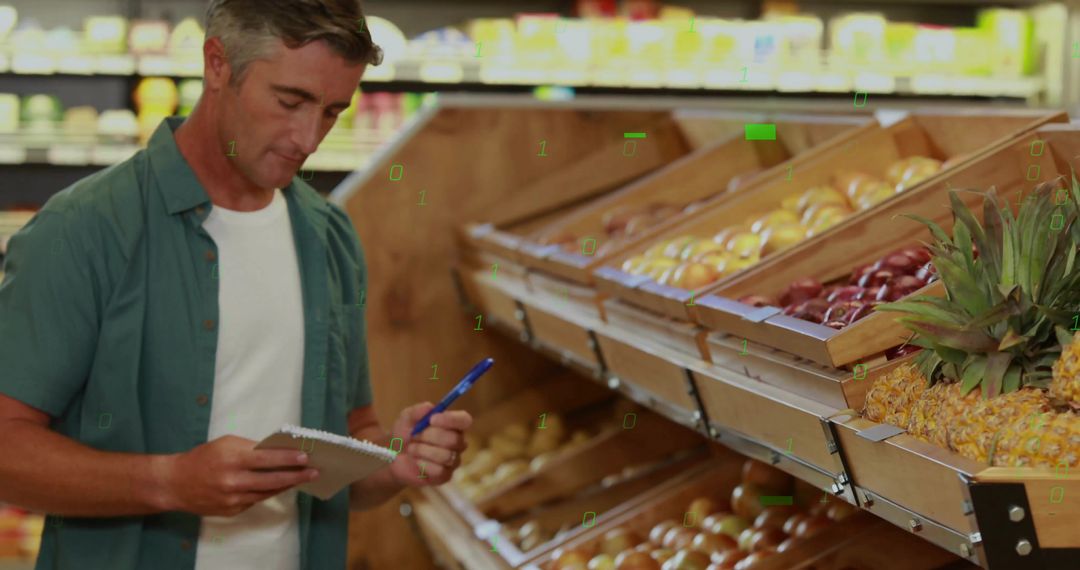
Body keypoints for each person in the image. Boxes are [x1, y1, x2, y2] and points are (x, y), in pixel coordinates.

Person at [0, 1, 473, 569]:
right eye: (290, 101)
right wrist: (169, 482)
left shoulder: (328, 236)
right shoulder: (84, 230)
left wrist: (393, 464)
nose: (307, 137)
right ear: (217, 64)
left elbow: (350, 436)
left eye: (331, 112)